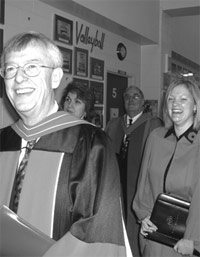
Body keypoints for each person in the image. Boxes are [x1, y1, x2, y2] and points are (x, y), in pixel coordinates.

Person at [0, 31, 132, 256]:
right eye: (10, 69)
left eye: (32, 67)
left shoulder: (91, 143)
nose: (19, 78)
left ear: (55, 77)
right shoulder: (3, 141)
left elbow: (99, 232)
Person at [133, 78, 200, 256]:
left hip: (186, 242)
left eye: (183, 99)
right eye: (171, 99)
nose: (175, 104)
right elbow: (144, 185)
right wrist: (144, 216)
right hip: (154, 235)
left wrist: (195, 243)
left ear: (195, 105)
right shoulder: (156, 137)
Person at [105, 85, 162, 256]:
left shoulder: (154, 125)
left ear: (143, 101)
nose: (131, 99)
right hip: (116, 187)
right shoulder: (113, 124)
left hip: (140, 187)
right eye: (127, 96)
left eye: (136, 96)